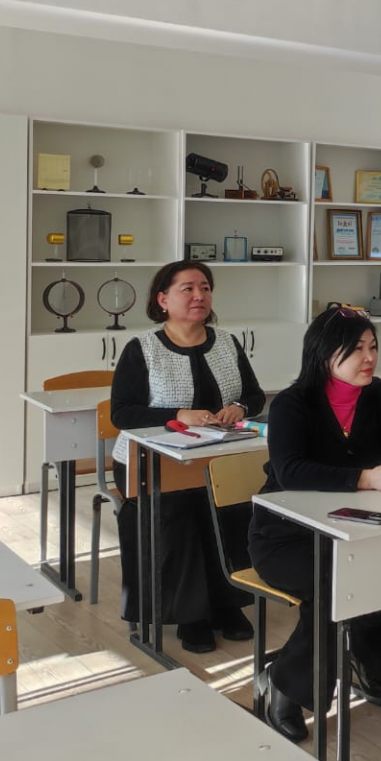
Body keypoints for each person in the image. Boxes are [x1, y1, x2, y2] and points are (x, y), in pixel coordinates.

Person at [249, 306, 381, 742]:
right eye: (356, 349)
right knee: (338, 582)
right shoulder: (292, 403)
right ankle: (285, 685)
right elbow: (290, 471)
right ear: (325, 354)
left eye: (373, 347)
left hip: (355, 529)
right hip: (286, 537)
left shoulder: (377, 394)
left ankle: (371, 663)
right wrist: (366, 478)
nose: (370, 358)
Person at [109, 261, 263, 654]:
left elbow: (255, 395)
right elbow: (122, 413)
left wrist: (240, 407)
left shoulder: (226, 342)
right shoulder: (142, 348)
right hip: (152, 460)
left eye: (205, 288)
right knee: (181, 514)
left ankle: (227, 604)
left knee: (232, 512)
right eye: (188, 289)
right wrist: (177, 415)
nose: (199, 296)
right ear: (163, 300)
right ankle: (191, 615)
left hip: (216, 454)